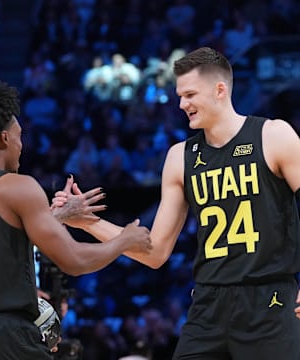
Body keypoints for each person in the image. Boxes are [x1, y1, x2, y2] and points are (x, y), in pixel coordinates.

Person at [54, 47, 300, 359]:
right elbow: (155, 251)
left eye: (190, 94)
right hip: (209, 305)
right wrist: (86, 222)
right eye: (180, 95)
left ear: (220, 90)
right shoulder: (179, 157)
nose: (182, 104)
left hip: (270, 301)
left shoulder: (274, 135)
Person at [0, 78, 152, 360]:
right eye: (19, 135)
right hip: (4, 334)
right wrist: (125, 240)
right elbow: (74, 260)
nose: (20, 145)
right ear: (4, 138)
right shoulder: (16, 186)